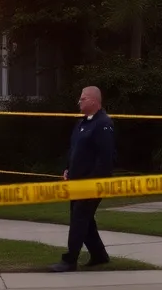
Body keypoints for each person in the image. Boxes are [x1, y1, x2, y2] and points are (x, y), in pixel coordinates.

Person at [49, 85, 115, 273]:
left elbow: (105, 158)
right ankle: (99, 255)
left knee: (79, 218)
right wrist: (68, 169)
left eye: (83, 98)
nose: (79, 101)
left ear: (94, 101)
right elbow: (75, 151)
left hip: (92, 183)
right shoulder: (82, 123)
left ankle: (70, 260)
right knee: (85, 219)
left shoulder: (103, 124)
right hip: (77, 182)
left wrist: (92, 182)